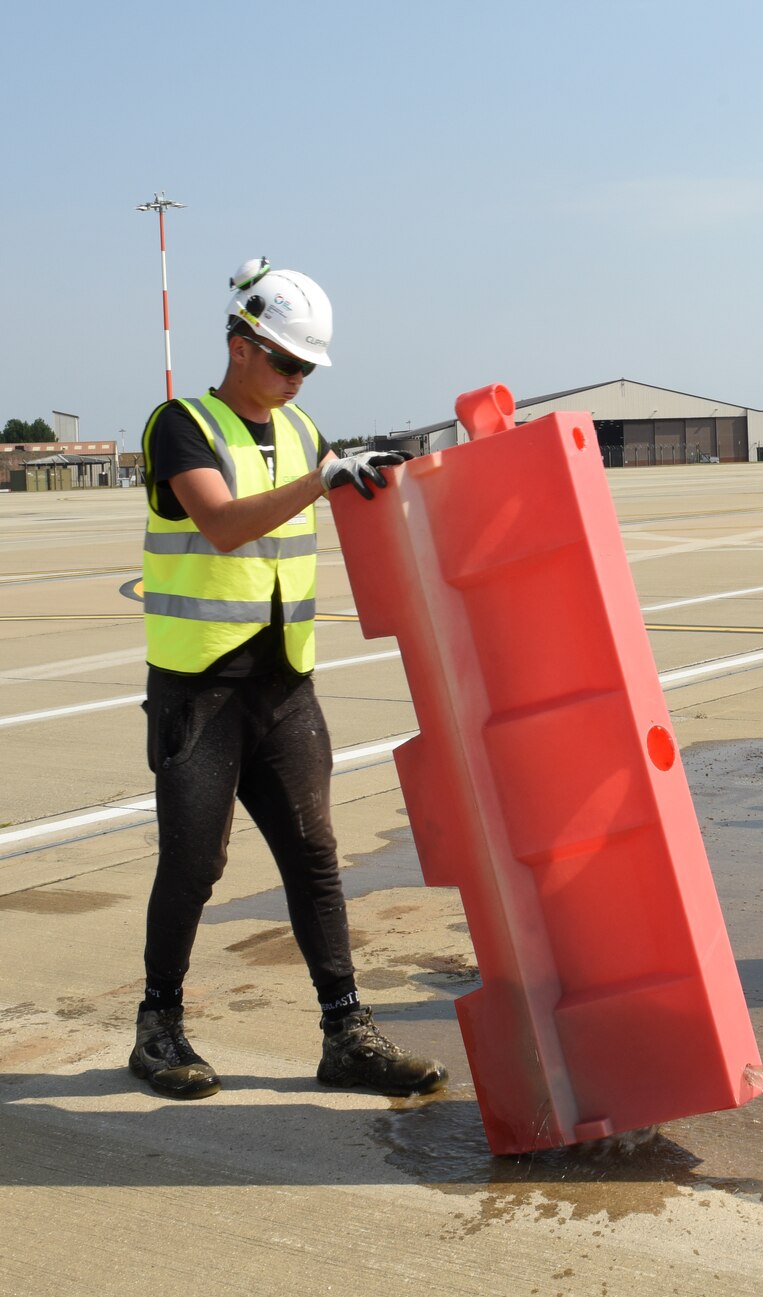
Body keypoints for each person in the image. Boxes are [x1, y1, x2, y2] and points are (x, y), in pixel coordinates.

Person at [131, 257, 445, 1101]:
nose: (299, 380)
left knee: (315, 858)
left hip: (284, 687)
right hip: (200, 692)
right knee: (195, 863)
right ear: (241, 345)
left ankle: (346, 1032)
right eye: (287, 363)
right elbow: (224, 524)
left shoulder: (305, 433)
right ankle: (158, 1025)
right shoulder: (180, 426)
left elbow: (377, 515)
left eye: (308, 368)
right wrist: (324, 479)